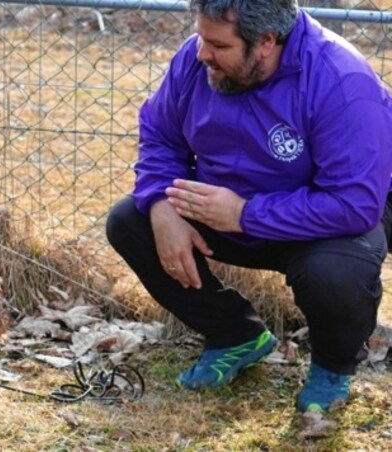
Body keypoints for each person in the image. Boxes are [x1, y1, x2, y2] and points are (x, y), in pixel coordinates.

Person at [106, 0, 392, 413]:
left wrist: (245, 213)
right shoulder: (196, 58)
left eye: (218, 45)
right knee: (129, 221)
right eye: (202, 38)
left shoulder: (342, 81)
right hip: (225, 208)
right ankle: (233, 335)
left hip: (321, 223)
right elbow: (161, 135)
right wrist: (161, 206)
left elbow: (353, 203)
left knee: (336, 274)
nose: (202, 53)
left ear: (266, 42)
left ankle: (332, 369)